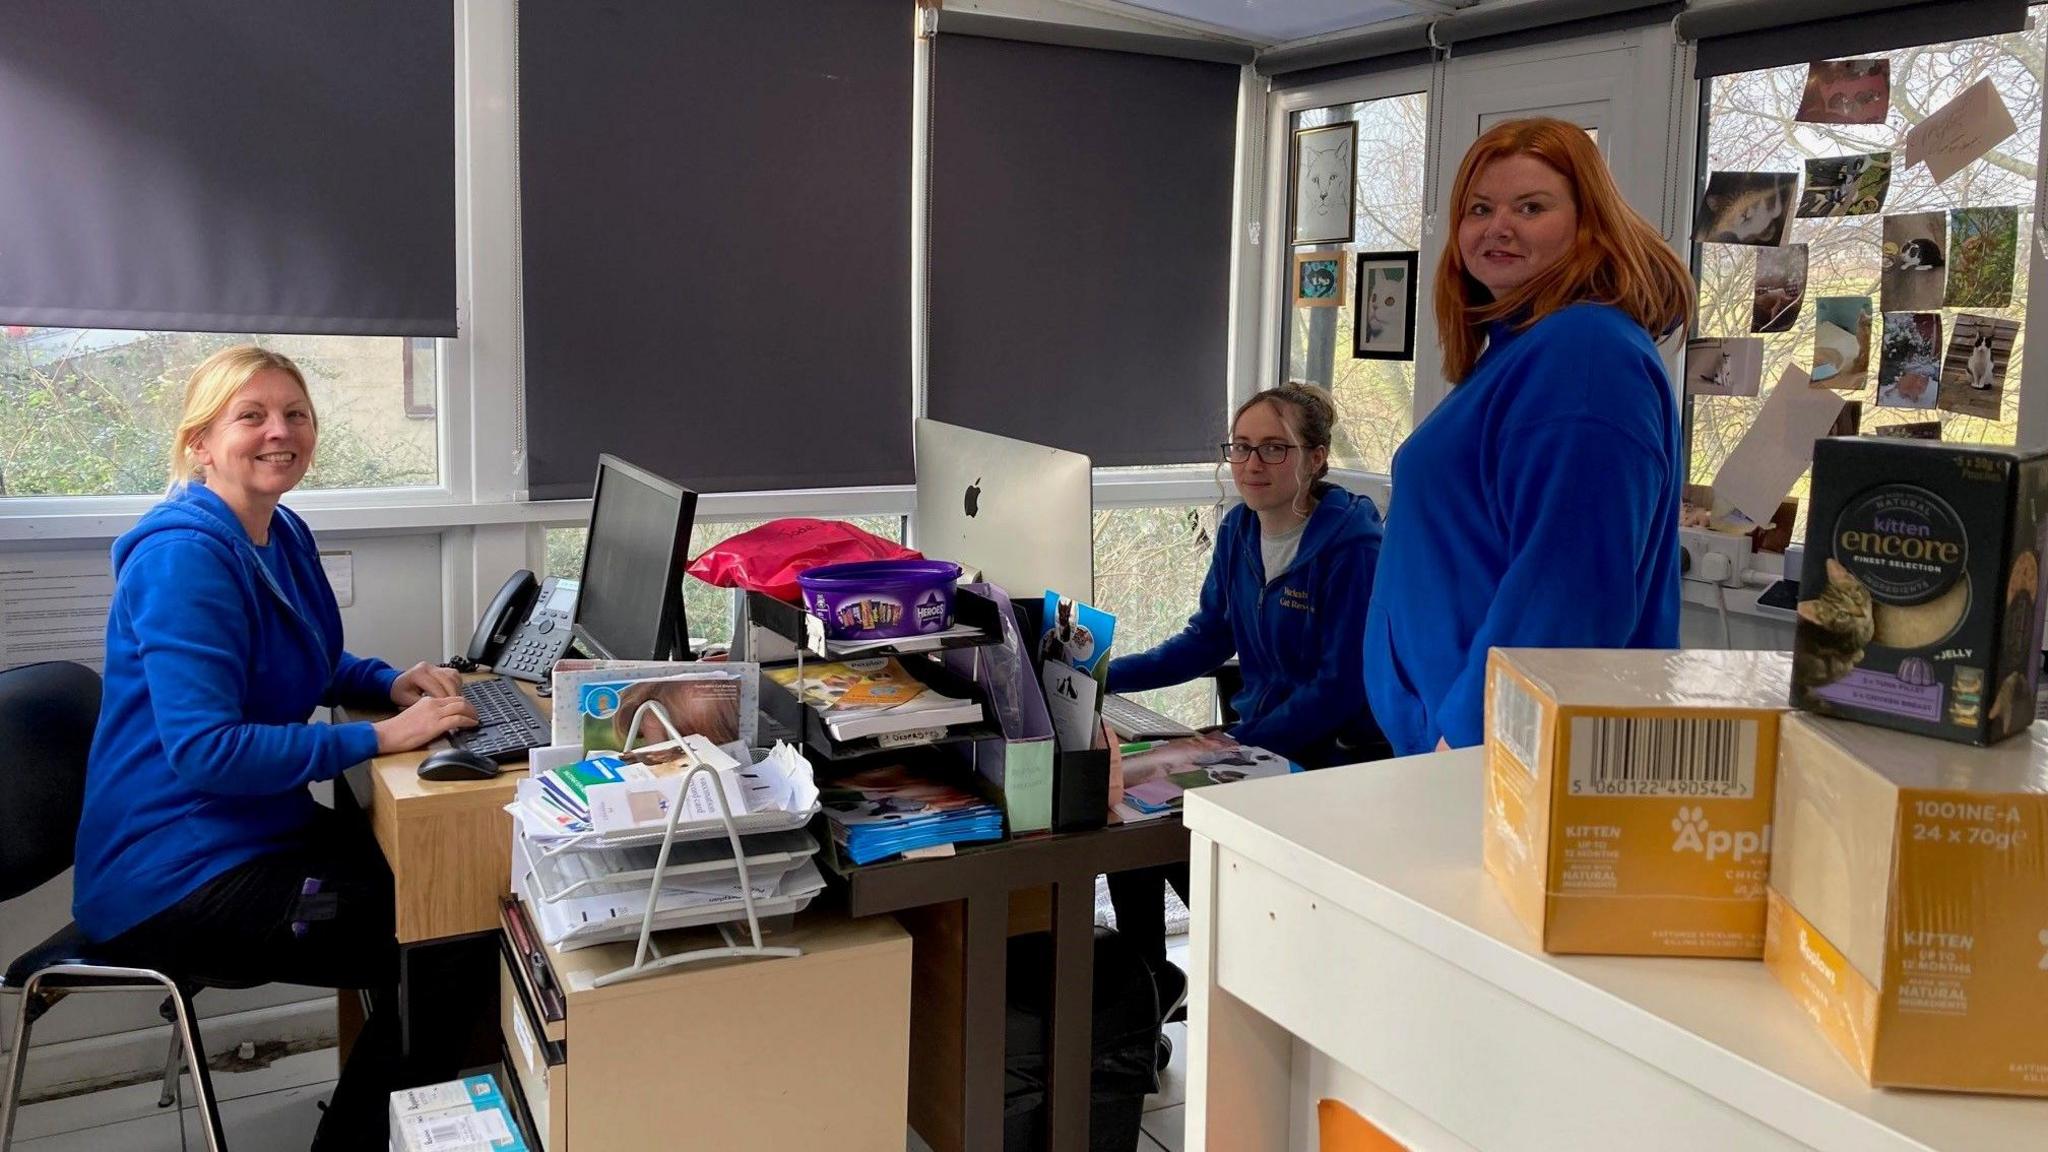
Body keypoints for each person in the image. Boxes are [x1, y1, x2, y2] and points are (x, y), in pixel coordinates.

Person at [70, 346, 479, 1151]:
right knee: (446, 948)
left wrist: (386, 681)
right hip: (178, 877)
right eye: (250, 416)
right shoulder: (183, 558)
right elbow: (207, 751)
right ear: (201, 442)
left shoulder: (276, 528)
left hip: (255, 836)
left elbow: (301, 658)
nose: (278, 432)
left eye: (294, 414)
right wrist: (377, 737)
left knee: (452, 886)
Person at [1363, 117, 1692, 757]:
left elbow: (1566, 590)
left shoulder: (1585, 355)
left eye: (1531, 207)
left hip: (1496, 759)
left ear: (1588, 223)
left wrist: (1466, 739)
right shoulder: (1524, 351)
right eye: (1479, 209)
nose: (1498, 226)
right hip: (1465, 754)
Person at [1104, 380, 1385, 1021]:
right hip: (1260, 735)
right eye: (1241, 448)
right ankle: (1147, 985)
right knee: (1120, 799)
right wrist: (1103, 676)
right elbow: (1207, 639)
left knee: (1170, 826)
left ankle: (1258, 968)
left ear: (1316, 458)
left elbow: (1341, 687)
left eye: (1274, 449)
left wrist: (1236, 741)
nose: (1252, 465)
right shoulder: (1238, 530)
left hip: (1333, 754)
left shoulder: (1355, 550)